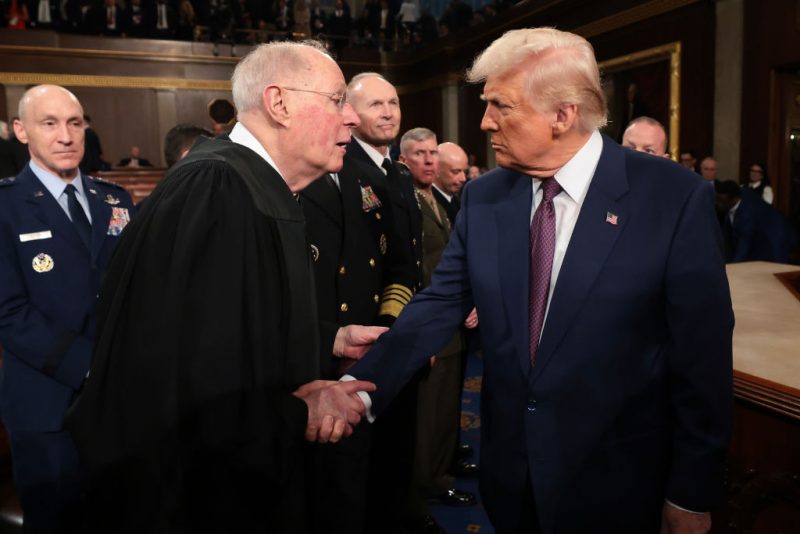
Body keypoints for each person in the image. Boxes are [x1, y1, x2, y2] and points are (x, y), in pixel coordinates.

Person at [346, 27, 734, 534]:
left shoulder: (673, 199)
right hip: (511, 477)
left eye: (500, 106)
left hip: (620, 481)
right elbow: (438, 302)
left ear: (563, 114)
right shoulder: (485, 199)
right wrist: (358, 388)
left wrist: (691, 492)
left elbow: (701, 360)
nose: (485, 122)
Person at [65, 41, 382, 534]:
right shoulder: (215, 190)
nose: (352, 119)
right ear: (279, 104)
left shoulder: (250, 185)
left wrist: (329, 340)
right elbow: (188, 382)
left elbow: (232, 325)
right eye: (337, 99)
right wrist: (297, 412)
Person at [0, 84, 135, 532]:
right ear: (21, 131)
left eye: (75, 123)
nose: (65, 136)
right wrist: (93, 365)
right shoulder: (5, 206)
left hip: (119, 401)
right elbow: (9, 312)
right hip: (46, 404)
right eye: (49, 123)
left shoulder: (115, 200)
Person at [399, 127, 477, 517]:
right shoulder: (406, 202)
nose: (430, 161)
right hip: (428, 324)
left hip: (450, 324)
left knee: (447, 407)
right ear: (404, 161)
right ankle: (421, 494)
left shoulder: (437, 200)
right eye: (420, 154)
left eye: (433, 153)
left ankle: (441, 476)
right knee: (427, 416)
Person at [715, 179, 795, 263]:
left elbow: (744, 247)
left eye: (720, 201)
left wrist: (732, 268)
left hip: (775, 241)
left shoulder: (747, 215)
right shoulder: (737, 194)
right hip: (761, 239)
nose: (717, 203)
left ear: (733, 199)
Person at [432, 141, 467, 225]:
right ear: (436, 170)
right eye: (456, 172)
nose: (463, 178)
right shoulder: (428, 205)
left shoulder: (457, 201)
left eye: (465, 171)